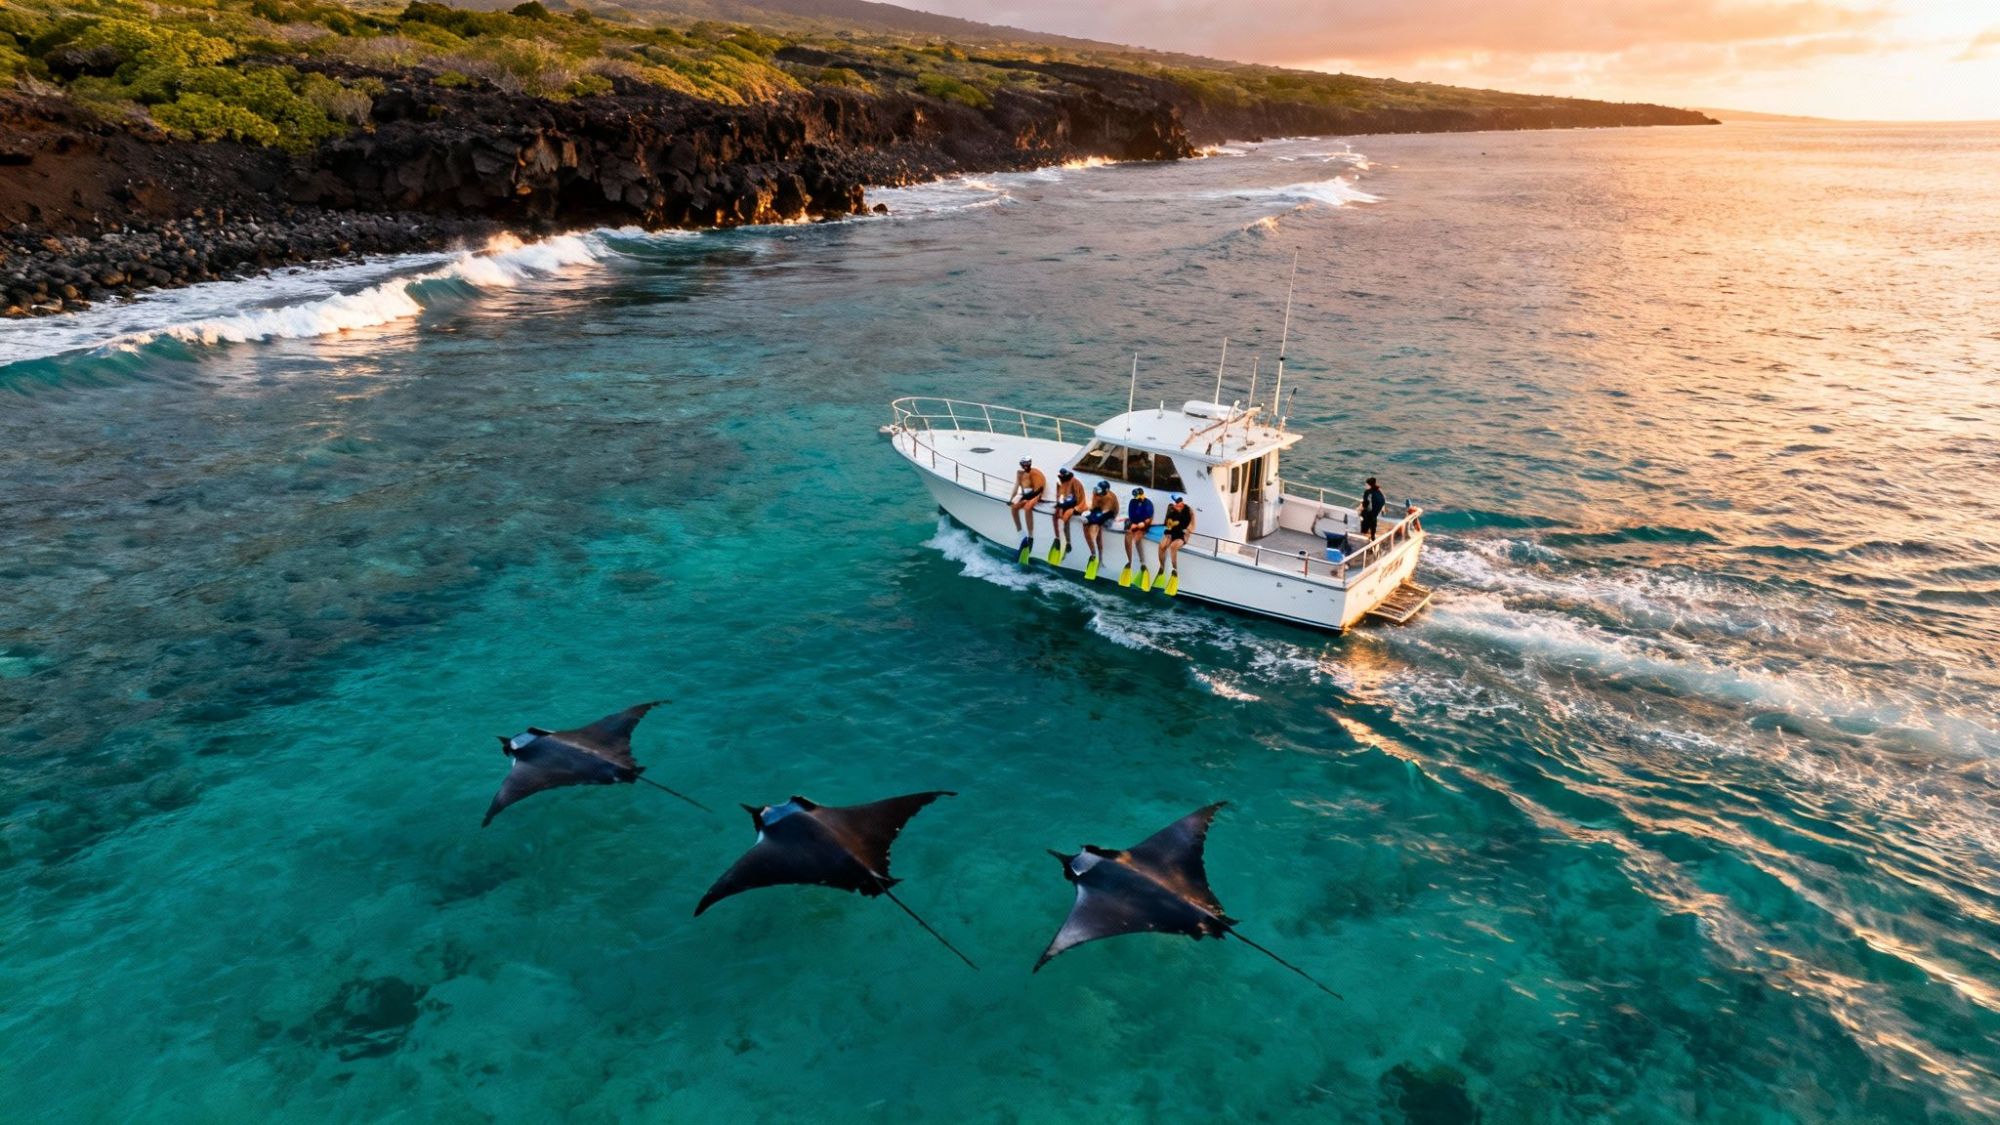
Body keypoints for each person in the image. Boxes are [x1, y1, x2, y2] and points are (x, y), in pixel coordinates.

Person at [1049, 468, 1085, 554]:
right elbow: (1060, 496)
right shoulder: (1061, 482)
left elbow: (1076, 499)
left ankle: (1067, 543)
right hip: (1065, 504)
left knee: (1065, 518)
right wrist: (1059, 504)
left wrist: (1065, 505)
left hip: (1076, 506)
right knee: (1055, 515)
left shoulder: (1075, 482)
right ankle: (1057, 538)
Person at [1081, 479, 1118, 564]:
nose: (1097, 492)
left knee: (1097, 527)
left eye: (1100, 491)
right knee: (1085, 525)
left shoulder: (1110, 498)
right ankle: (1093, 553)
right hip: (1098, 510)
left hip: (1109, 512)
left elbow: (1103, 514)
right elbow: (1093, 507)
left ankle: (1100, 558)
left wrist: (1091, 519)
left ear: (1106, 491)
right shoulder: (1095, 492)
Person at [1159, 493, 1195, 578]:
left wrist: (1188, 532)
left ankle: (1174, 570)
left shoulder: (1189, 510)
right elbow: (1167, 523)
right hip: (1172, 533)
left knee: (1173, 547)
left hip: (1181, 534)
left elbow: (1192, 524)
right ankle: (1162, 568)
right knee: (1161, 546)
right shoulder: (1171, 509)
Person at [1011, 457, 1046, 536]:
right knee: (1014, 507)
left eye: (1027, 464)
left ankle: (1030, 534)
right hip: (1027, 494)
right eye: (1024, 464)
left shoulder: (1035, 473)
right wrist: (1012, 498)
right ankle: (1019, 530)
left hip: (1035, 495)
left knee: (1027, 507)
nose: (1025, 466)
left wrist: (1025, 497)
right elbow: (1017, 486)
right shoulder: (1021, 474)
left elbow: (1038, 490)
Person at [1123, 486, 1155, 573]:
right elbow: (1131, 515)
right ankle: (1129, 560)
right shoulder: (1133, 502)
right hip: (1134, 523)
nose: (1136, 498)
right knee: (1128, 534)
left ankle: (1142, 562)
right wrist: (1133, 524)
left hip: (1144, 524)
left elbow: (1149, 518)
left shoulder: (1147, 503)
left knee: (1137, 539)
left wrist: (1143, 524)